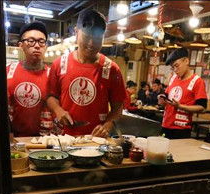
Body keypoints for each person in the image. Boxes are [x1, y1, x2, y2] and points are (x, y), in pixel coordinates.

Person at [47, 9, 126, 137]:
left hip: (97, 141)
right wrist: (58, 110)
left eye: (97, 38)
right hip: (65, 139)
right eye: (87, 37)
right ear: (77, 32)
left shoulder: (111, 69)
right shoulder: (59, 64)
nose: (91, 44)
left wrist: (108, 125)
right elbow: (50, 96)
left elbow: (118, 107)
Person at [7, 21, 53, 137]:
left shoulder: (52, 75)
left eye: (41, 42)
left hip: (45, 141)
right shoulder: (8, 72)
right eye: (31, 41)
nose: (37, 46)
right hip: (15, 139)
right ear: (20, 45)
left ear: (46, 47)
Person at [159, 48, 207, 139]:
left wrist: (180, 106)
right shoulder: (173, 78)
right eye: (172, 68)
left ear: (186, 61)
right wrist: (162, 99)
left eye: (177, 66)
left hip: (181, 129)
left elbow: (202, 108)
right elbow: (167, 95)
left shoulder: (197, 81)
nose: (175, 70)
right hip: (165, 125)